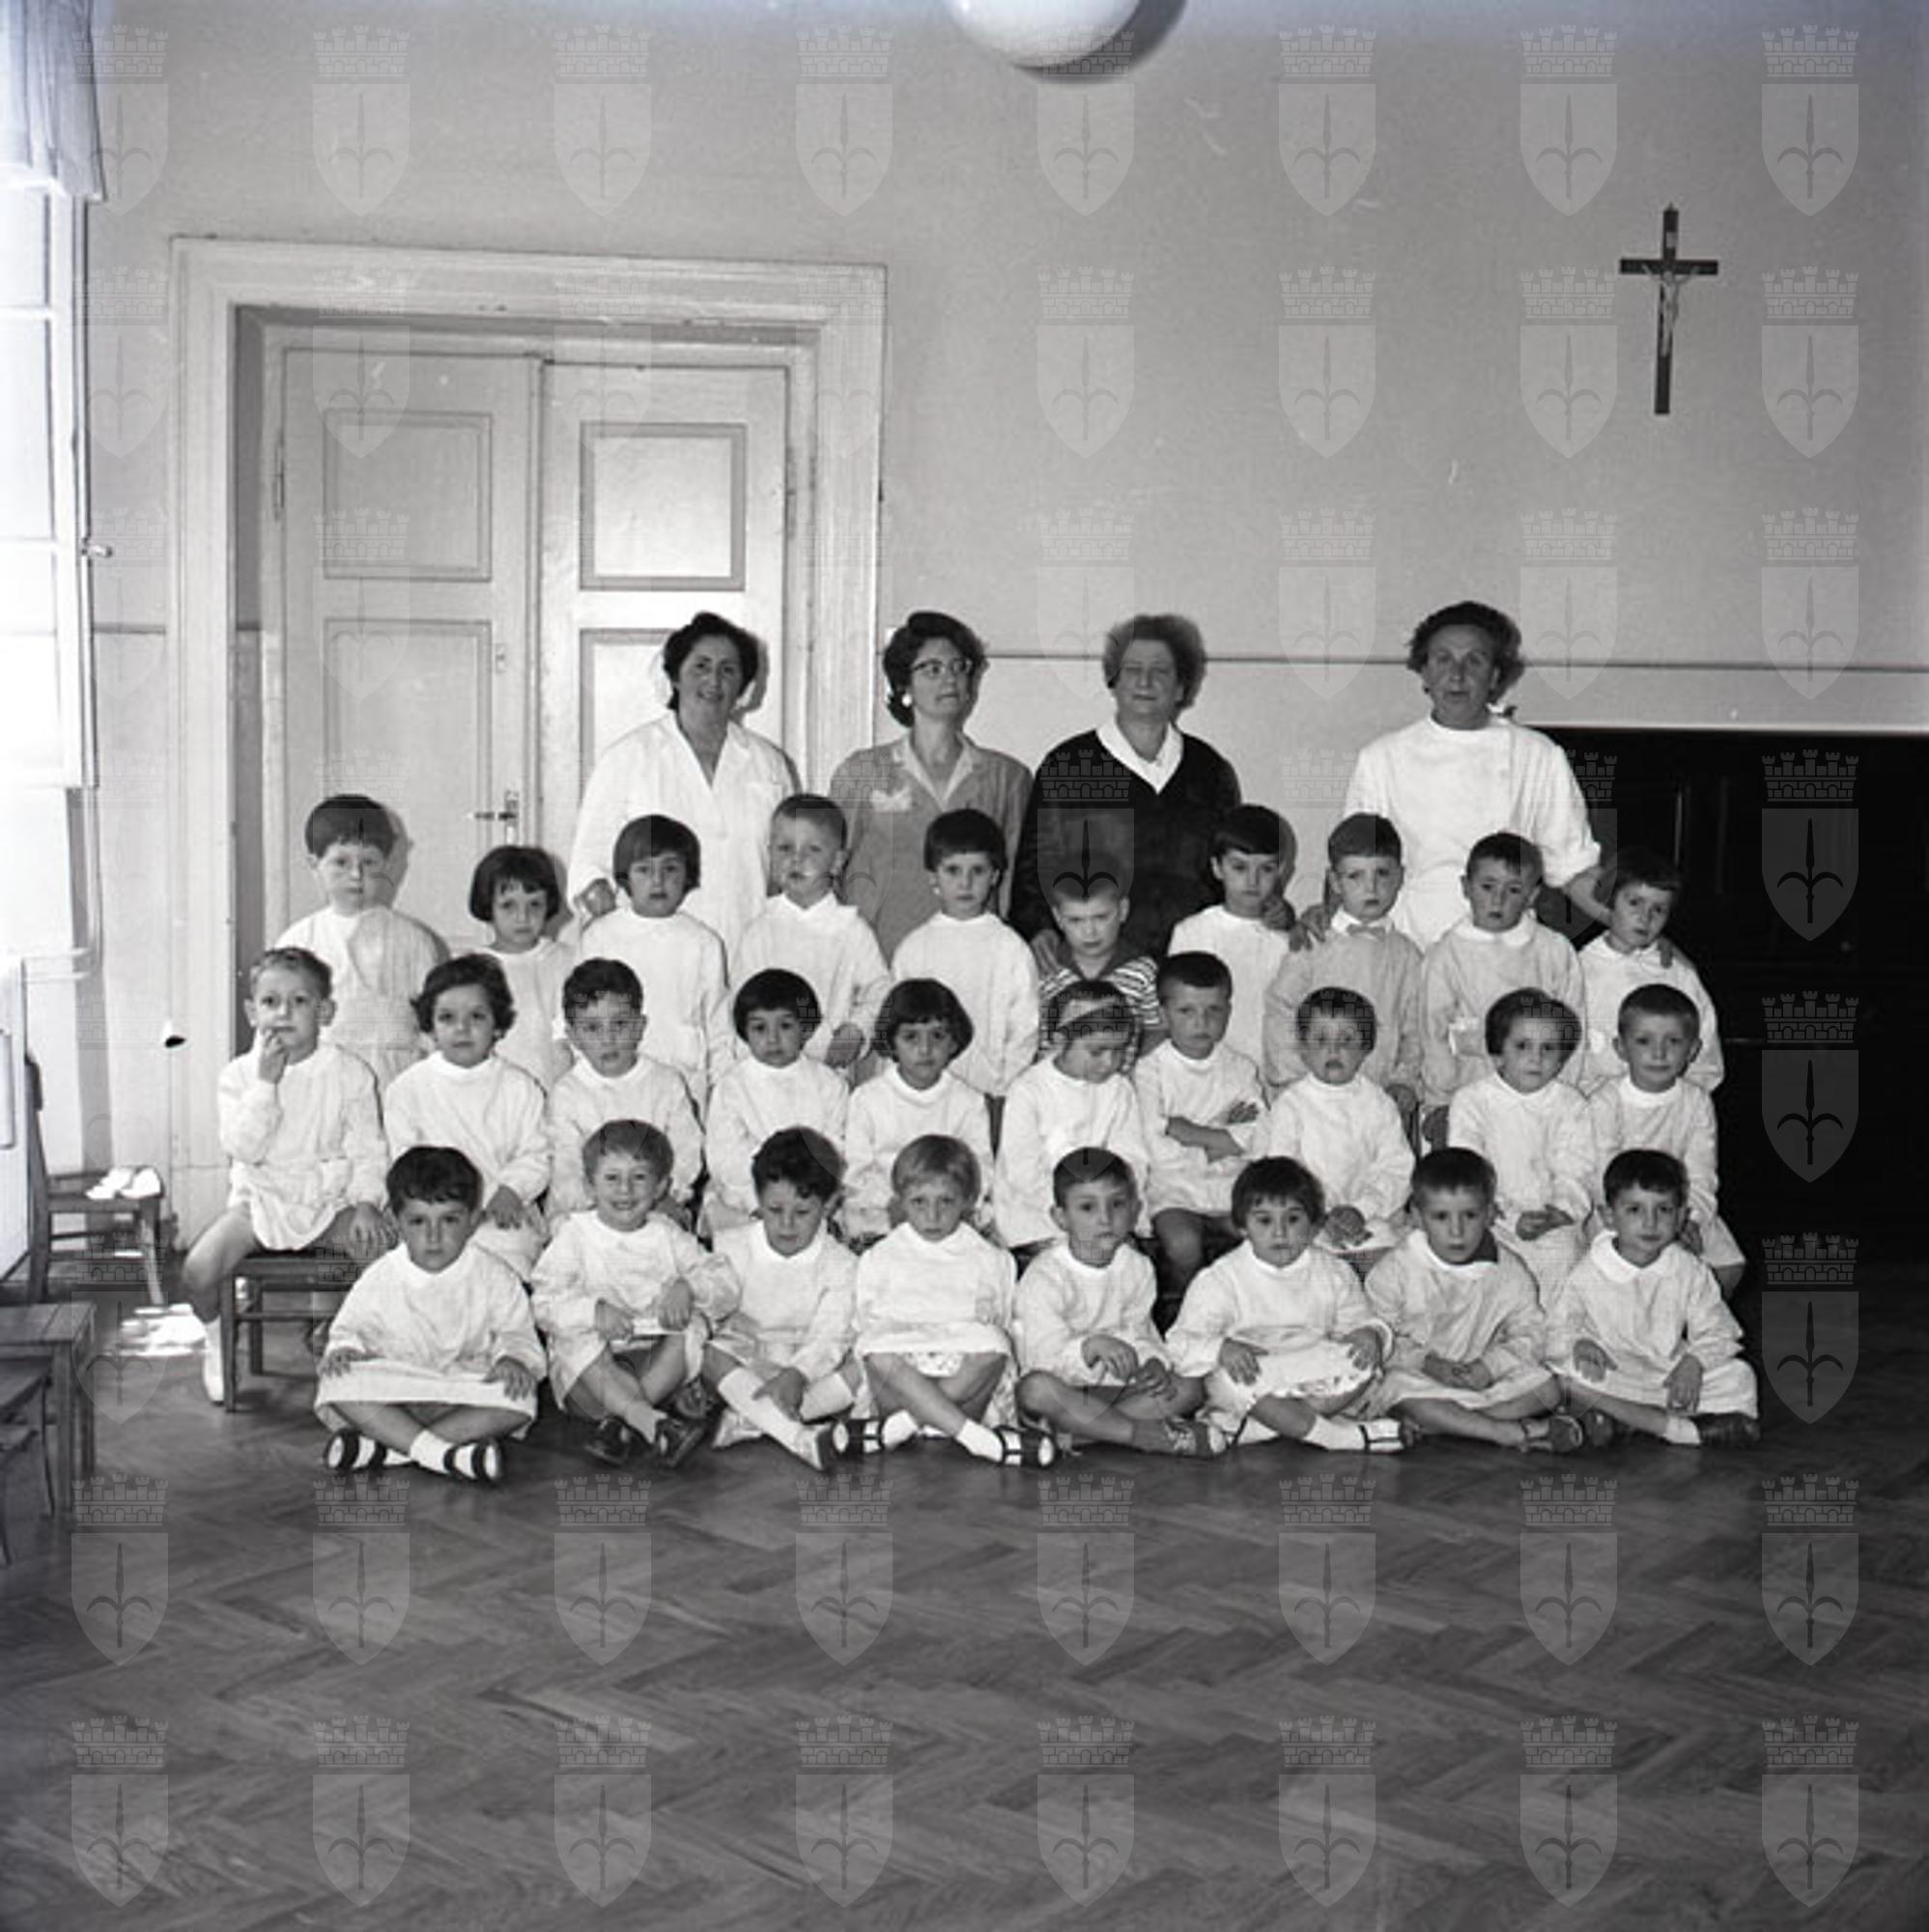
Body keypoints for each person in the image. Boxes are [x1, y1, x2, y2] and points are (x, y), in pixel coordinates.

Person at [182, 948, 388, 1405]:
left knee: (383, 1254)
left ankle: (368, 1345)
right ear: (252, 1012)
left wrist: (367, 1203)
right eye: (271, 1002)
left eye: (299, 1001)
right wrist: (265, 1084)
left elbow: (368, 1149)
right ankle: (218, 1340)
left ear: (324, 1011)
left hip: (328, 1201)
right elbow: (243, 1149)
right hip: (259, 1202)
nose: (283, 1013)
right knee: (198, 1270)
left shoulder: (350, 1072)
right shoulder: (238, 1076)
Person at [1342, 604, 1607, 948]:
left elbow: (1573, 869)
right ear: (1424, 672)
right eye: (1443, 659)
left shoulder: (1538, 755)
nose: (1457, 674)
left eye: (1474, 661)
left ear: (1495, 676)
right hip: (1411, 944)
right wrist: (1326, 921)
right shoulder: (1381, 758)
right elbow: (1352, 860)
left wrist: (1635, 926)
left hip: (1506, 948)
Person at [1011, 613, 1244, 962]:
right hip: (1095, 965)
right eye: (1132, 670)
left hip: (1193, 966)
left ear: (1181, 687)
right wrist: (1039, 928)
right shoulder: (1070, 765)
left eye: (1161, 671)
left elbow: (1234, 863)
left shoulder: (1209, 770)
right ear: (1113, 681)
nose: (1145, 681)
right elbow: (1034, 871)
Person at [568, 613, 798, 956]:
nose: (714, 681)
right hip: (651, 953)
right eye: (701, 667)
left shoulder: (769, 763)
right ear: (675, 676)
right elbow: (590, 860)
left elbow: (789, 861)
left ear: (743, 685)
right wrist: (600, 901)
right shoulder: (629, 756)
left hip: (750, 948)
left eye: (728, 670)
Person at [316, 1147, 543, 1485]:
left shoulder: (494, 1275)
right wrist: (345, 1349)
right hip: (399, 1390)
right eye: (418, 1221)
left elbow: (516, 1331)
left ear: (473, 1221)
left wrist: (512, 1358)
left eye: (449, 1220)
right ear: (396, 1222)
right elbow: (350, 1327)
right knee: (337, 1381)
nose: (433, 1236)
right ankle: (444, 1454)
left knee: (520, 1399)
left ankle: (393, 1450)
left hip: (462, 1388)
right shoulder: (382, 1275)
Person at [1164, 1157, 1411, 1454]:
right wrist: (1222, 1349)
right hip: (1256, 1375)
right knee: (1225, 1381)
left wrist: (1369, 1333)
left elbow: (1359, 1321)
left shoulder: (1333, 1271)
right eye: (1264, 1221)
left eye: (1292, 1220)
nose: (1279, 1233)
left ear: (1313, 1225)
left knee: (1365, 1359)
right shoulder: (1221, 1278)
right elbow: (1180, 1343)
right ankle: (1339, 1437)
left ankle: (1266, 1428)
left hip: (1310, 1370)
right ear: (1242, 1227)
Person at [532, 1122, 738, 1468]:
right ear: (589, 1185)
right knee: (574, 1338)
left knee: (693, 1326)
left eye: (639, 1178)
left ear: (661, 1187)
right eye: (611, 1178)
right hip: (592, 1384)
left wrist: (688, 1287)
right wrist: (592, 1312)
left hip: (656, 1371)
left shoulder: (668, 1234)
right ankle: (649, 1420)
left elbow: (723, 1281)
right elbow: (544, 1303)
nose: (625, 1190)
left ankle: (628, 1424)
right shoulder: (574, 1235)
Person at [829, 611, 1032, 959]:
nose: (950, 678)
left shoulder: (1007, 777)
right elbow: (830, 869)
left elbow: (1014, 885)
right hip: (880, 960)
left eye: (958, 667)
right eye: (933, 669)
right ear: (904, 685)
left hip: (975, 960)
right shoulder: (863, 771)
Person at [846, 1136, 1052, 1465]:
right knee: (877, 1351)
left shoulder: (990, 1258)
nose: (932, 1215)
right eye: (919, 1202)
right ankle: (976, 1439)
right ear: (900, 1200)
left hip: (964, 1382)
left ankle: (906, 1425)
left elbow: (999, 1317)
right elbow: (865, 1320)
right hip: (902, 1380)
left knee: (993, 1345)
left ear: (967, 1200)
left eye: (946, 1201)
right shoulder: (880, 1257)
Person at [1364, 1150, 1584, 1452]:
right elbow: (1380, 1336)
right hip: (1421, 1378)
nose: (1457, 1231)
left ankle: (1446, 1424)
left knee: (1547, 1389)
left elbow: (1531, 1332)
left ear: (1490, 1213)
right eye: (1441, 1217)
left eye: (1470, 1215)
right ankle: (1505, 1431)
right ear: (1416, 1216)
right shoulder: (1394, 1270)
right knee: (1397, 1386)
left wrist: (1489, 1367)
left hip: (1481, 1380)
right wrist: (1428, 1364)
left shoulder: (1508, 1269)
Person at [1546, 1150, 1759, 1448]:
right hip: (1613, 1368)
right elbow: (1560, 1326)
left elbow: (1718, 1327)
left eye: (1664, 1210)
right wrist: (1580, 1343)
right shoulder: (1590, 1270)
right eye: (1634, 1210)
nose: (1650, 1222)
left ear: (1681, 1216)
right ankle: (1677, 1429)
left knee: (1740, 1376)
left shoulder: (1689, 1269)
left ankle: (1621, 1420)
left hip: (1668, 1373)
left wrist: (1695, 1362)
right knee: (1567, 1374)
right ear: (1609, 1216)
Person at [1014, 1149, 1213, 1456]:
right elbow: (1042, 1359)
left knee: (1190, 1387)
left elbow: (1141, 1332)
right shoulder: (1045, 1277)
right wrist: (1090, 1348)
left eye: (1117, 1204)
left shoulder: (1137, 1266)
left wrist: (1152, 1362)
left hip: (1115, 1392)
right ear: (1060, 1217)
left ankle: (1079, 1435)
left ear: (1134, 1209)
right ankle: (1141, 1435)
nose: (1105, 1218)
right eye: (1087, 1207)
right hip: (1065, 1393)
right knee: (1035, 1389)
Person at [703, 1128, 863, 1469]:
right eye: (775, 1210)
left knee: (867, 1366)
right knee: (710, 1354)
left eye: (802, 1212)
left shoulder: (842, 1264)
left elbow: (831, 1333)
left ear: (829, 1205)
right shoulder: (733, 1246)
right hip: (749, 1362)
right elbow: (714, 1308)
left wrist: (799, 1373)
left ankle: (753, 1420)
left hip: (809, 1369)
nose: (787, 1225)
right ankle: (796, 1435)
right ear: (758, 1198)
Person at [383, 955, 551, 1280]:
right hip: (434, 1213)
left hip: (501, 1213)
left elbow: (537, 1152)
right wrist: (437, 1208)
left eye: (476, 1016)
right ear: (430, 1027)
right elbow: (405, 1160)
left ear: (497, 1025)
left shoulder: (519, 1087)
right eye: (447, 1018)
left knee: (509, 1264)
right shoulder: (408, 1088)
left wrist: (513, 1189)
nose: (462, 1028)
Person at [1418, 832, 1585, 1141]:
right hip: (1468, 1096)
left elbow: (1573, 1027)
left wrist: (1563, 1093)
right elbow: (1432, 1032)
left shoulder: (1553, 951)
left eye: (1513, 890)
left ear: (1532, 895)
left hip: (1540, 1098)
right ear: (1466, 887)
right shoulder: (1446, 955)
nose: (1498, 900)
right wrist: (1441, 1100)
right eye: (1487, 887)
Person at [277, 793, 444, 1089]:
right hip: (324, 1087)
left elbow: (435, 1027)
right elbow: (279, 1026)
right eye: (341, 862)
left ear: (387, 864)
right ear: (314, 864)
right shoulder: (299, 941)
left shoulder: (415, 942)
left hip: (396, 1083)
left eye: (369, 862)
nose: (356, 874)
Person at [1262, 812, 1422, 1125]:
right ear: (1335, 881)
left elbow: (1416, 1028)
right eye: (1355, 876)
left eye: (1382, 874)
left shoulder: (1408, 956)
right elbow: (1281, 1009)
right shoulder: (1312, 942)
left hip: (1378, 1102)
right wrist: (1294, 1082)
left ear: (1400, 877)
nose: (1371, 887)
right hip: (1313, 1100)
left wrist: (1404, 1081)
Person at [1585, 985, 1745, 1295]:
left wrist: (1688, 1220)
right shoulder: (1605, 1101)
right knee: (1634, 1273)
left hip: (1680, 1208)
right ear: (1620, 1048)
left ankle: (1686, 1321)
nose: (1658, 1053)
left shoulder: (1696, 1102)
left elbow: (1701, 1172)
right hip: (1623, 1210)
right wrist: (1640, 1216)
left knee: (1728, 1267)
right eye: (1644, 1041)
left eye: (1673, 1041)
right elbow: (1601, 1172)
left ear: (1693, 1050)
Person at [575, 814, 733, 1114]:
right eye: (644, 870)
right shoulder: (601, 937)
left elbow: (719, 1027)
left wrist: (720, 1092)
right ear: (625, 877)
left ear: (687, 875)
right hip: (613, 1085)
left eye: (670, 869)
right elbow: (577, 1012)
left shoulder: (703, 942)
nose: (658, 880)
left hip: (684, 1084)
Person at [1133, 952, 1262, 1304]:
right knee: (1184, 1244)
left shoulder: (1240, 1069)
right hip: (1173, 1186)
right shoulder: (1150, 1071)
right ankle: (1185, 1307)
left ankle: (1242, 1307)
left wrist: (1191, 1133)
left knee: (1259, 1232)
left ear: (1228, 1012)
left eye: (1213, 1011)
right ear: (1163, 1015)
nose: (1201, 1022)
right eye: (1186, 1011)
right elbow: (1156, 1146)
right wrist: (1223, 1140)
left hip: (1230, 1183)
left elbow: (1258, 1135)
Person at [1447, 990, 1594, 1294]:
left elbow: (1576, 1168)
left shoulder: (1570, 1103)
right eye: (1523, 1046)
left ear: (1562, 1058)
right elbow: (1468, 1170)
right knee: (1477, 1262)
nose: (1535, 1058)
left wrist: (1560, 1211)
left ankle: (1553, 1324)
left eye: (1548, 1048)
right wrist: (1509, 1217)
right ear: (1498, 1051)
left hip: (1551, 1219)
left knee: (1565, 1254)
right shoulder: (1472, 1101)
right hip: (1490, 1217)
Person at [889, 809, 1039, 1101]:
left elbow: (1025, 1028)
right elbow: (897, 1022)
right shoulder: (914, 948)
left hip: (992, 1092)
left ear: (995, 876)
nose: (965, 883)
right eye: (953, 870)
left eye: (978, 871)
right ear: (933, 876)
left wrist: (1006, 1086)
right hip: (924, 1092)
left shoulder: (1011, 948)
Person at [733, 794, 890, 1072]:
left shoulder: (851, 930)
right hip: (764, 1070)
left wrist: (856, 1029)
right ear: (770, 854)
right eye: (784, 848)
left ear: (837, 861)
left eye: (813, 850)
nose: (796, 859)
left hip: (828, 1071)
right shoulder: (760, 931)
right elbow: (739, 1003)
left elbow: (880, 991)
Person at [995, 983, 1151, 1259]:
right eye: (1097, 1051)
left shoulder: (1120, 1090)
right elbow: (1023, 1172)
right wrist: (1076, 1212)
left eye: (1118, 1051)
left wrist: (1105, 1205)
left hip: (1105, 1209)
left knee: (1125, 1259)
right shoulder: (1028, 1091)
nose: (1109, 1063)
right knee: (1073, 1259)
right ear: (1060, 1040)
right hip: (1041, 1213)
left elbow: (1132, 1157)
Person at [1261, 986, 1410, 1272]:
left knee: (1389, 1264)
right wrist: (1321, 1216)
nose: (1333, 1050)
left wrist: (1361, 1210)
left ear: (1366, 1047)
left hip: (1369, 1218)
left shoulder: (1379, 1104)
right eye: (1321, 1040)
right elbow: (1283, 1172)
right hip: (1309, 1218)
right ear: (1303, 1048)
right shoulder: (1291, 1105)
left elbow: (1396, 1168)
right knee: (1306, 1265)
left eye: (1347, 1040)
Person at [840, 980, 993, 1245]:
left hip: (947, 1218)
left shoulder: (969, 1102)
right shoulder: (867, 1099)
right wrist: (898, 1205)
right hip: (882, 1222)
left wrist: (945, 1207)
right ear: (892, 1042)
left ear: (954, 1042)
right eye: (911, 1037)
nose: (925, 1049)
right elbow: (856, 1175)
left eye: (937, 1036)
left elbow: (980, 1172)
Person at [547, 960, 702, 1218]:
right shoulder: (567, 1093)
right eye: (593, 1028)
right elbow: (567, 1165)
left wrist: (666, 1193)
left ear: (639, 1027)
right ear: (573, 1037)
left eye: (619, 1024)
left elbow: (686, 1147)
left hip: (654, 1203)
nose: (608, 1039)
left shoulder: (666, 1083)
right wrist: (597, 1205)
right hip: (589, 1210)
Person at [702, 969, 850, 1232]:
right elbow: (726, 1157)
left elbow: (835, 1147)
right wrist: (765, 1202)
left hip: (811, 1199)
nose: (772, 1039)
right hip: (748, 1204)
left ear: (806, 1028)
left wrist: (806, 1197)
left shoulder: (829, 1084)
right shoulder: (731, 1087)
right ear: (744, 1031)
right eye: (760, 1028)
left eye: (785, 1026)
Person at [1575, 847, 1723, 1093]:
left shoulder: (1678, 975)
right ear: (1610, 901)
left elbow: (1706, 1059)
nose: (1645, 917)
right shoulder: (1577, 970)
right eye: (1634, 902)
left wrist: (1676, 1099)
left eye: (1658, 910)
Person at [1168, 805, 1295, 1068]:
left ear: (1282, 870)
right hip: (1207, 1072)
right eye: (1239, 867)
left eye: (1266, 869)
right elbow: (1178, 1012)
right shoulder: (1191, 933)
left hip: (1274, 1071)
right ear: (1217, 867)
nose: (1252, 881)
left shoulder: (1288, 942)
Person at [1034, 873, 1163, 1073]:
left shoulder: (1143, 971)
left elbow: (1156, 1029)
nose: (1090, 931)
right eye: (1076, 920)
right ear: (1058, 918)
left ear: (1123, 910)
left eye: (1101, 917)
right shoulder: (1046, 966)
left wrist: (1136, 1070)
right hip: (1053, 1085)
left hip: (1115, 1082)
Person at [469, 844, 574, 1092]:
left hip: (556, 1092)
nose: (523, 917)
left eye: (534, 905)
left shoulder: (567, 961)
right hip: (492, 1096)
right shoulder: (470, 969)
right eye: (508, 905)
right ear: (488, 906)